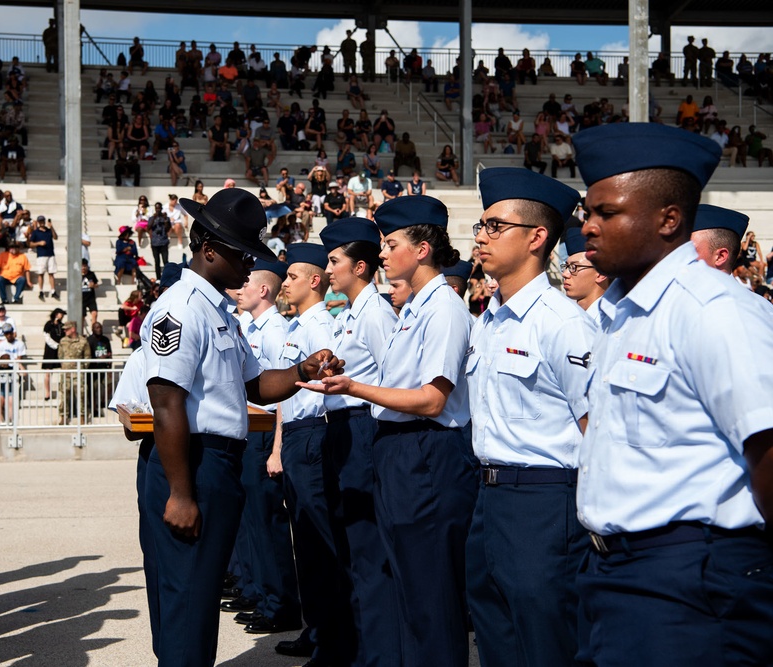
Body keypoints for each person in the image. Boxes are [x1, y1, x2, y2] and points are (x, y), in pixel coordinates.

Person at [571, 121, 773, 667]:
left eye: (606, 213)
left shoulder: (714, 310)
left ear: (668, 220)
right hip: (616, 575)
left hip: (690, 585)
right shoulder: (623, 313)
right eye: (588, 213)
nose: (588, 227)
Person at [142, 188, 341, 666]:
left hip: (215, 463)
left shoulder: (218, 313)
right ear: (209, 249)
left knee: (199, 596)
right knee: (186, 599)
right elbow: (166, 403)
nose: (249, 269)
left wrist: (300, 373)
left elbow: (255, 384)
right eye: (242, 255)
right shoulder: (181, 308)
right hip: (190, 462)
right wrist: (181, 493)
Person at [300, 195, 477, 667]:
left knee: (431, 596)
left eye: (391, 242)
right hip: (400, 447)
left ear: (421, 249)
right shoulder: (418, 308)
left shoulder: (442, 308)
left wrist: (355, 385)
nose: (381, 253)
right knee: (409, 585)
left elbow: (432, 398)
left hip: (426, 449)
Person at [466, 167, 593, 667]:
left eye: (495, 226)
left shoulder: (562, 324)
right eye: (480, 225)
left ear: (538, 237)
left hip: (546, 501)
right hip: (490, 496)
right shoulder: (489, 319)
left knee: (546, 643)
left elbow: (596, 428)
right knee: (496, 634)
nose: (481, 236)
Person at [318, 219, 402, 665]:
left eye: (335, 261)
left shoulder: (374, 313)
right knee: (351, 548)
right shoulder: (350, 313)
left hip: (363, 427)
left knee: (368, 550)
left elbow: (394, 377)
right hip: (342, 429)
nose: (328, 269)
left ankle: (380, 656)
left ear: (361, 266)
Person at [273, 242, 354, 665]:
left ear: (315, 280)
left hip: (313, 434)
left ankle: (333, 640)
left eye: (291, 277)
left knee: (321, 542)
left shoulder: (319, 325)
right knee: (305, 540)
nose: (284, 284)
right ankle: (317, 628)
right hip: (297, 433)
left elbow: (329, 386)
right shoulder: (297, 324)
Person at [228, 259, 301, 636]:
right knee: (252, 519)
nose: (240, 289)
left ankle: (281, 604)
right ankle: (259, 592)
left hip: (264, 432)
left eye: (247, 283)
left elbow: (282, 397)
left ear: (264, 291)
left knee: (267, 521)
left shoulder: (275, 330)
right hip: (248, 430)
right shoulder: (251, 326)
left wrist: (276, 449)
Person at [560, 225, 610, 313]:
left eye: (574, 267)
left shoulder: (610, 322)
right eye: (566, 267)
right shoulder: (569, 316)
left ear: (601, 274)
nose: (565, 274)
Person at [57, 321, 90, 425]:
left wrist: (81, 368)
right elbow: (60, 355)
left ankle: (82, 416)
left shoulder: (83, 341)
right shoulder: (63, 341)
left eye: (67, 329)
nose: (65, 331)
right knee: (64, 395)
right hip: (66, 373)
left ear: (73, 329)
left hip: (78, 373)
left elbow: (87, 357)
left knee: (81, 395)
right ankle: (63, 416)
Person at [26, 215, 58, 301]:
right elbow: (30, 244)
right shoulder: (36, 232)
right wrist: (39, 243)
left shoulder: (48, 230)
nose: (42, 223)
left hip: (50, 254)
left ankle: (53, 290)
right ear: (38, 222)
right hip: (41, 255)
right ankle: (41, 290)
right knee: (41, 273)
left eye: (43, 221)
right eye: (40, 221)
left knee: (51, 273)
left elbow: (55, 237)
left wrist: (51, 227)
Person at [42, 308, 66, 400]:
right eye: (61, 314)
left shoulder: (62, 325)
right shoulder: (49, 324)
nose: (62, 316)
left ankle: (62, 390)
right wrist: (55, 345)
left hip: (60, 350)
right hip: (50, 350)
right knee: (48, 372)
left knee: (62, 370)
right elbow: (46, 336)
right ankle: (47, 392)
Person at [148, 203, 172, 280]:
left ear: (161, 208)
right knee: (157, 262)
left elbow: (167, 228)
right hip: (155, 243)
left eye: (159, 208)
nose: (158, 210)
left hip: (163, 241)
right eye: (156, 208)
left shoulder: (165, 218)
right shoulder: (152, 218)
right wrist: (154, 218)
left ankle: (167, 277)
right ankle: (158, 278)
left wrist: (165, 220)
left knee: (165, 261)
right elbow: (148, 227)